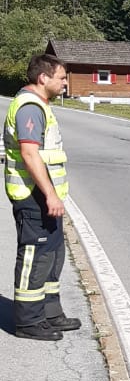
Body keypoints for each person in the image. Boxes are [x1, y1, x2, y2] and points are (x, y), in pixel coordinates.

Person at [3, 53, 80, 341]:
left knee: (52, 255)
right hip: (33, 195)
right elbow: (29, 153)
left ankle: (50, 313)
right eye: (61, 78)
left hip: (44, 196)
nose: (65, 83)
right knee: (34, 257)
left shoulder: (41, 105)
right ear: (43, 78)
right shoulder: (29, 107)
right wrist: (50, 195)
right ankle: (28, 321)